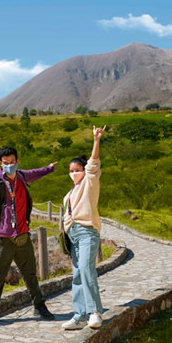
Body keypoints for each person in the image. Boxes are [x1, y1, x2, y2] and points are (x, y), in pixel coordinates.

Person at [0, 146, 57, 327]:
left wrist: (49, 168)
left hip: (22, 235)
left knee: (30, 273)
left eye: (12, 162)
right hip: (3, 237)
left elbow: (36, 173)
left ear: (17, 161)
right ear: (0, 163)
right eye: (5, 163)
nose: (9, 165)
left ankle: (39, 306)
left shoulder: (22, 177)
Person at [61, 125, 106, 331]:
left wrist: (96, 141)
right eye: (71, 171)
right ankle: (79, 315)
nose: (74, 173)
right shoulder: (70, 192)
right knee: (78, 273)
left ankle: (94, 312)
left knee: (87, 269)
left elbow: (93, 164)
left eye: (77, 170)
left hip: (87, 232)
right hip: (74, 236)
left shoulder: (89, 182)